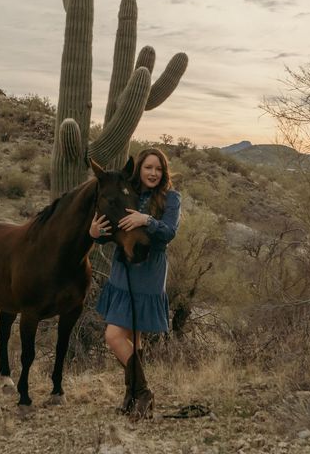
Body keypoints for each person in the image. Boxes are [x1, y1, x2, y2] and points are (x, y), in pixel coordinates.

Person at [90, 148, 181, 419]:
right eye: (148, 168)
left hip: (150, 271)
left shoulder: (171, 198)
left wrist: (147, 220)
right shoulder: (127, 191)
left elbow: (169, 233)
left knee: (119, 336)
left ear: (163, 173)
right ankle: (135, 393)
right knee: (126, 338)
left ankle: (140, 393)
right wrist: (95, 234)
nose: (153, 173)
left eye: (158, 169)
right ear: (139, 169)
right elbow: (111, 230)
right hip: (123, 269)